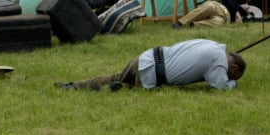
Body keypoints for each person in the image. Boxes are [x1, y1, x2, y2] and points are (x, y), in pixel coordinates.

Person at [56, 38, 247, 91]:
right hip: (151, 74)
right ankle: (118, 88)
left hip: (146, 57)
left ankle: (75, 86)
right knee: (125, 88)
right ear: (233, 67)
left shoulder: (212, 45)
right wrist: (233, 84)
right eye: (233, 75)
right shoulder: (219, 61)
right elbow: (220, 86)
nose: (229, 76)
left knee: (114, 76)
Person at [172, 0, 252, 28]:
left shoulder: (244, 17)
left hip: (224, 19)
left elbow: (255, 20)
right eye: (247, 6)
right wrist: (237, 11)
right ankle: (181, 22)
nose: (247, 8)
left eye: (248, 9)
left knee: (217, 24)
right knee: (209, 7)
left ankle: (193, 25)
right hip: (217, 7)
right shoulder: (234, 2)